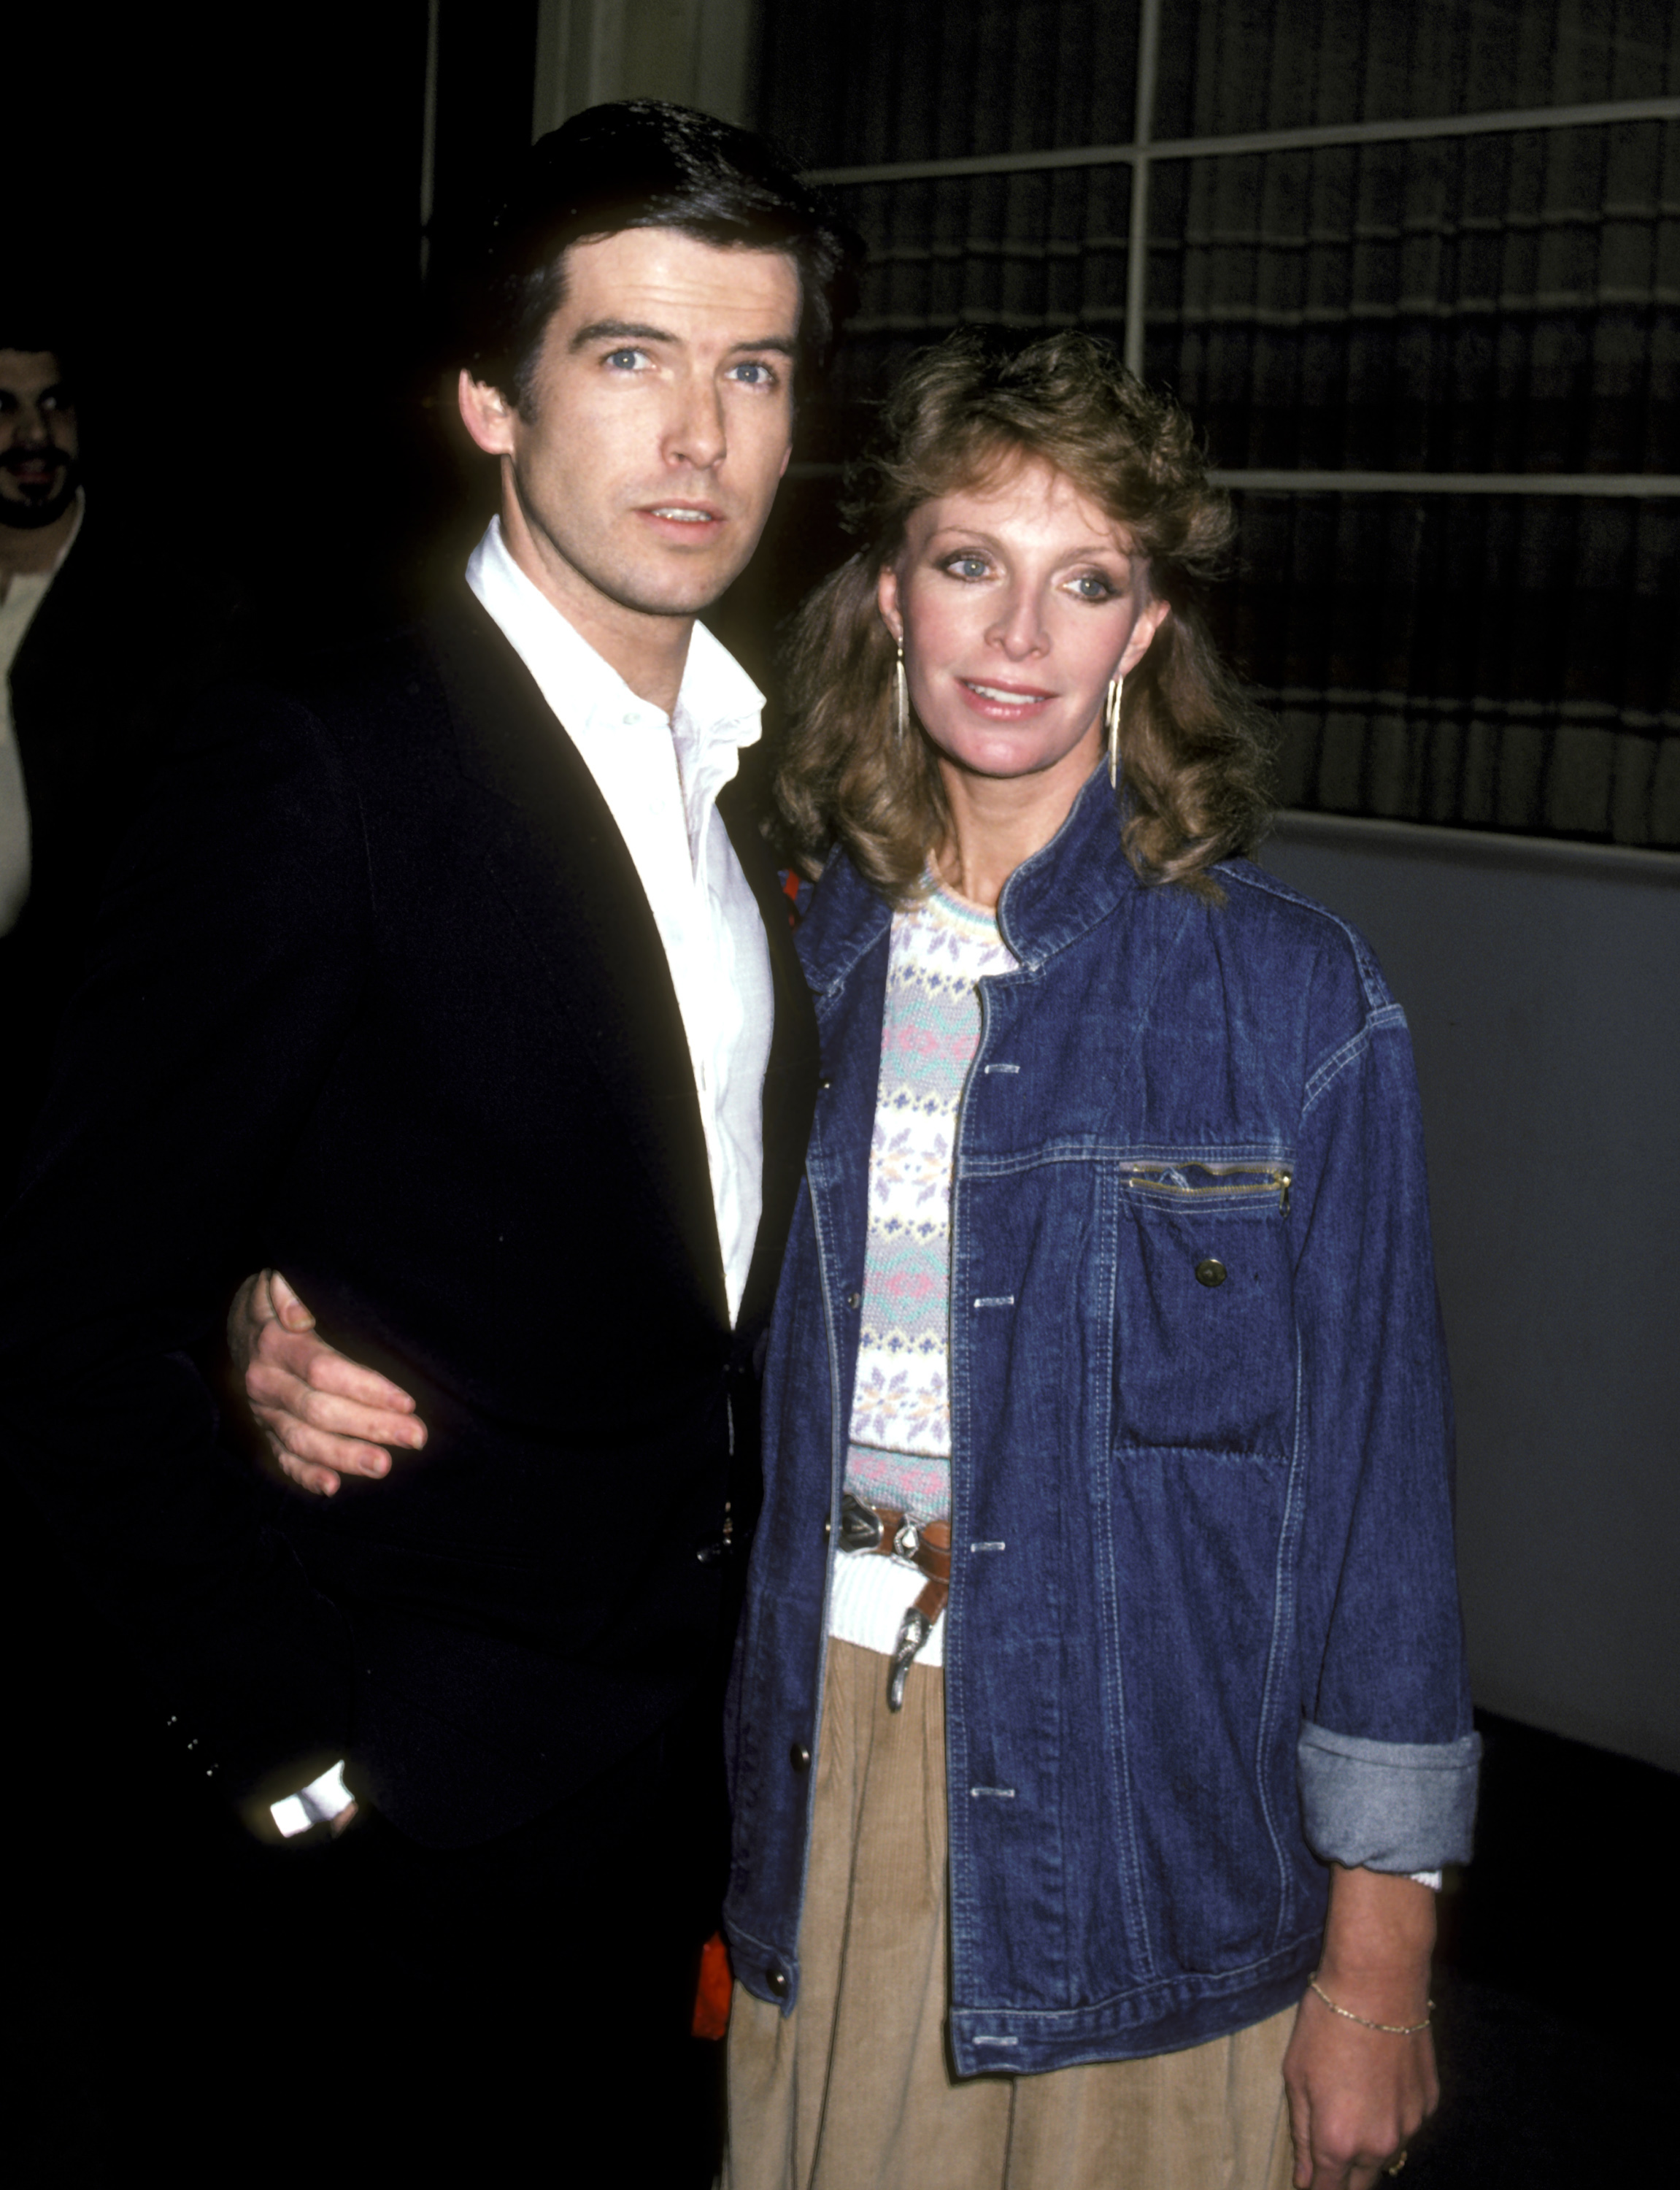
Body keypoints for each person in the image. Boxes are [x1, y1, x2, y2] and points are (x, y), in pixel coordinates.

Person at [247, 328, 1479, 2189]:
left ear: (1143, 631)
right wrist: (268, 1320)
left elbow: (1383, 1514)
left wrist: (1378, 1974)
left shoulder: (1294, 1006)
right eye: (970, 563)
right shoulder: (781, 959)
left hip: (1148, 1823)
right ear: (890, 592)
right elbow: (544, 1265)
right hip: (811, 1791)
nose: (1017, 635)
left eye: (1087, 584)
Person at [0, 101, 852, 2183]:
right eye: (627, 359)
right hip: (403, 1798)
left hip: (678, 1763)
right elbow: (55, 1305)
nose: (697, 440)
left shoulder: (754, 776)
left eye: (749, 370)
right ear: (490, 396)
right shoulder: (317, 755)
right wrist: (289, 1742)